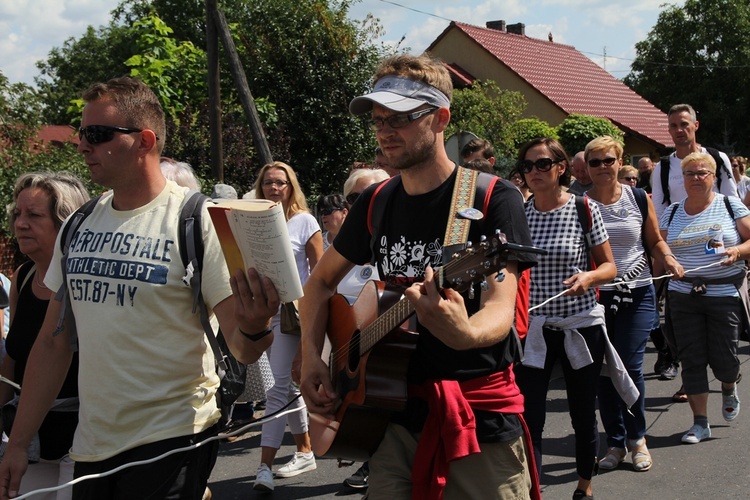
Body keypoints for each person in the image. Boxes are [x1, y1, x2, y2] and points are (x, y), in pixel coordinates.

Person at [0, 76, 275, 500]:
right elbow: (54, 345)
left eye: (96, 134)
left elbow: (242, 346)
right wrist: (18, 443)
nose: (82, 146)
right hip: (92, 448)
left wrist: (257, 327)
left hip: (173, 441)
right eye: (82, 134)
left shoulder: (197, 220)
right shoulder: (79, 223)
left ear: (144, 141)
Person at [300, 54, 539, 500]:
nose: (385, 130)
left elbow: (500, 310)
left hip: (475, 419)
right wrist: (313, 356)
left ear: (440, 118)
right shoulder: (375, 201)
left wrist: (466, 332)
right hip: (388, 419)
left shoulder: (491, 197)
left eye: (401, 118)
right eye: (378, 119)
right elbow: (319, 283)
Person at [513, 137, 624, 500]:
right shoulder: (519, 214)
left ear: (561, 168)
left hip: (579, 325)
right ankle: (534, 488)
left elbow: (609, 266)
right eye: (527, 166)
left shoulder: (582, 208)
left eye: (542, 164)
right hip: (535, 330)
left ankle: (584, 486)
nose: (533, 172)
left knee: (581, 411)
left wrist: (589, 277)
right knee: (530, 416)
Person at [583, 137, 683, 473]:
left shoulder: (637, 198)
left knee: (629, 364)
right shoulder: (579, 204)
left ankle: (636, 438)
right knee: (602, 370)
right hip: (597, 297)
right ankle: (614, 441)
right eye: (594, 162)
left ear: (619, 160)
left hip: (638, 293)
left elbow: (653, 240)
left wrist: (667, 257)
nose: (601, 168)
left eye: (607, 160)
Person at [0, 172, 89, 500]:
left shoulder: (84, 283)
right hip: (30, 436)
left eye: (34, 215)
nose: (20, 224)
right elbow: (11, 361)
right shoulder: (21, 278)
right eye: (17, 214)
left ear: (65, 223)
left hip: (83, 438)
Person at [659, 152, 749, 444]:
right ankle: (700, 423)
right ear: (682, 179)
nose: (696, 178)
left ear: (713, 177)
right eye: (690, 174)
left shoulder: (729, 205)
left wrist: (737, 252)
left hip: (723, 293)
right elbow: (659, 246)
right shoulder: (672, 211)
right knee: (691, 359)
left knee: (725, 360)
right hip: (682, 295)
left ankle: (728, 383)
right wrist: (668, 260)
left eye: (702, 173)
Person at [252, 161, 324, 492]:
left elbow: (321, 275)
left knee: (277, 387)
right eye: (268, 183)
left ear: (291, 186)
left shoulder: (304, 221)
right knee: (286, 385)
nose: (274, 188)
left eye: (281, 182)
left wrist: (315, 325)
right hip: (266, 313)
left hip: (297, 316)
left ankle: (264, 466)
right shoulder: (255, 221)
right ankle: (305, 450)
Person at [652, 104, 738, 219]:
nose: (679, 130)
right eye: (674, 126)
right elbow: (659, 210)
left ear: (696, 125)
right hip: (679, 232)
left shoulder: (718, 158)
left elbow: (733, 200)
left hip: (717, 228)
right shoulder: (662, 167)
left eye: (684, 124)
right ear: (669, 130)